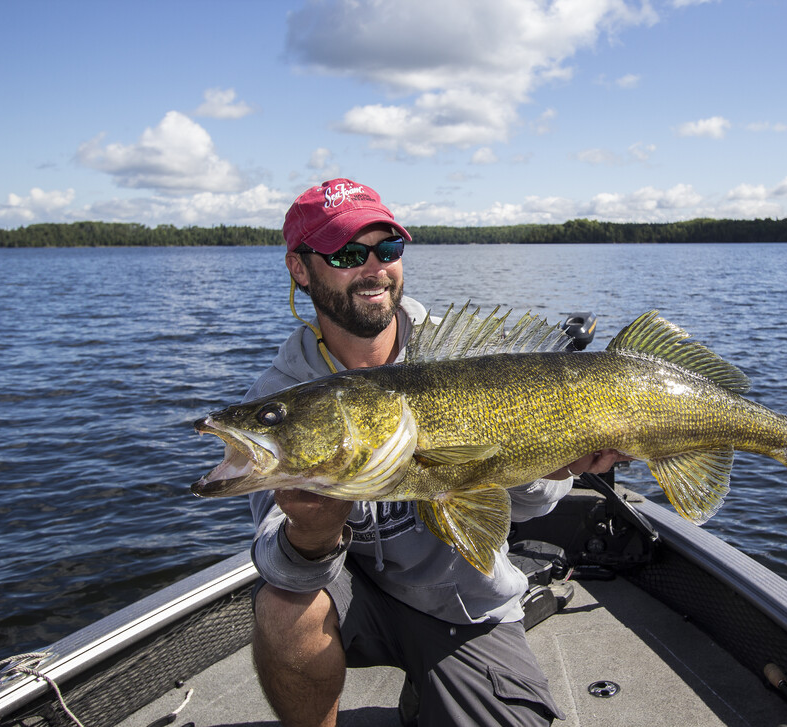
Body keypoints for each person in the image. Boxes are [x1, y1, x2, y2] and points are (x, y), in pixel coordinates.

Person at [247, 178, 626, 727]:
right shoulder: (280, 402)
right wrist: (310, 536)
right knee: (282, 604)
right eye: (348, 253)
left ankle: (432, 691)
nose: (374, 267)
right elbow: (279, 561)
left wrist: (550, 466)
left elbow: (534, 505)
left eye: (388, 248)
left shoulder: (461, 361)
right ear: (300, 269)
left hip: (462, 601)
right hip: (352, 600)